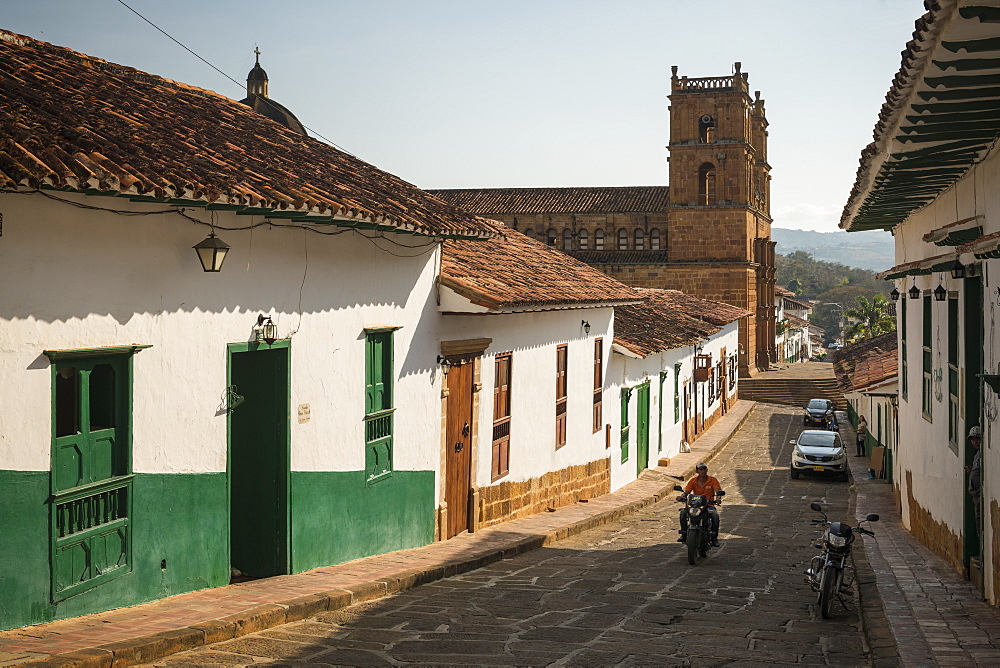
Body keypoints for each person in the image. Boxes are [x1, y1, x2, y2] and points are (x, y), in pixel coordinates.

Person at [677, 462, 723, 547]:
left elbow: (718, 491)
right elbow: (686, 492)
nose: (703, 471)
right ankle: (684, 534)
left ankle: (714, 538)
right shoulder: (693, 481)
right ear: (697, 471)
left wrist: (718, 498)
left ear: (707, 470)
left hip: (708, 505)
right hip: (695, 505)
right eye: (700, 469)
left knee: (715, 516)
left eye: (704, 469)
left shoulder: (713, 480)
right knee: (683, 513)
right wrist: (682, 496)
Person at [965, 425, 983, 545]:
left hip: (980, 494)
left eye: (977, 438)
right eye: (972, 439)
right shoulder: (977, 455)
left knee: (980, 522)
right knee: (978, 521)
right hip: (976, 495)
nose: (975, 441)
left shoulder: (983, 454)